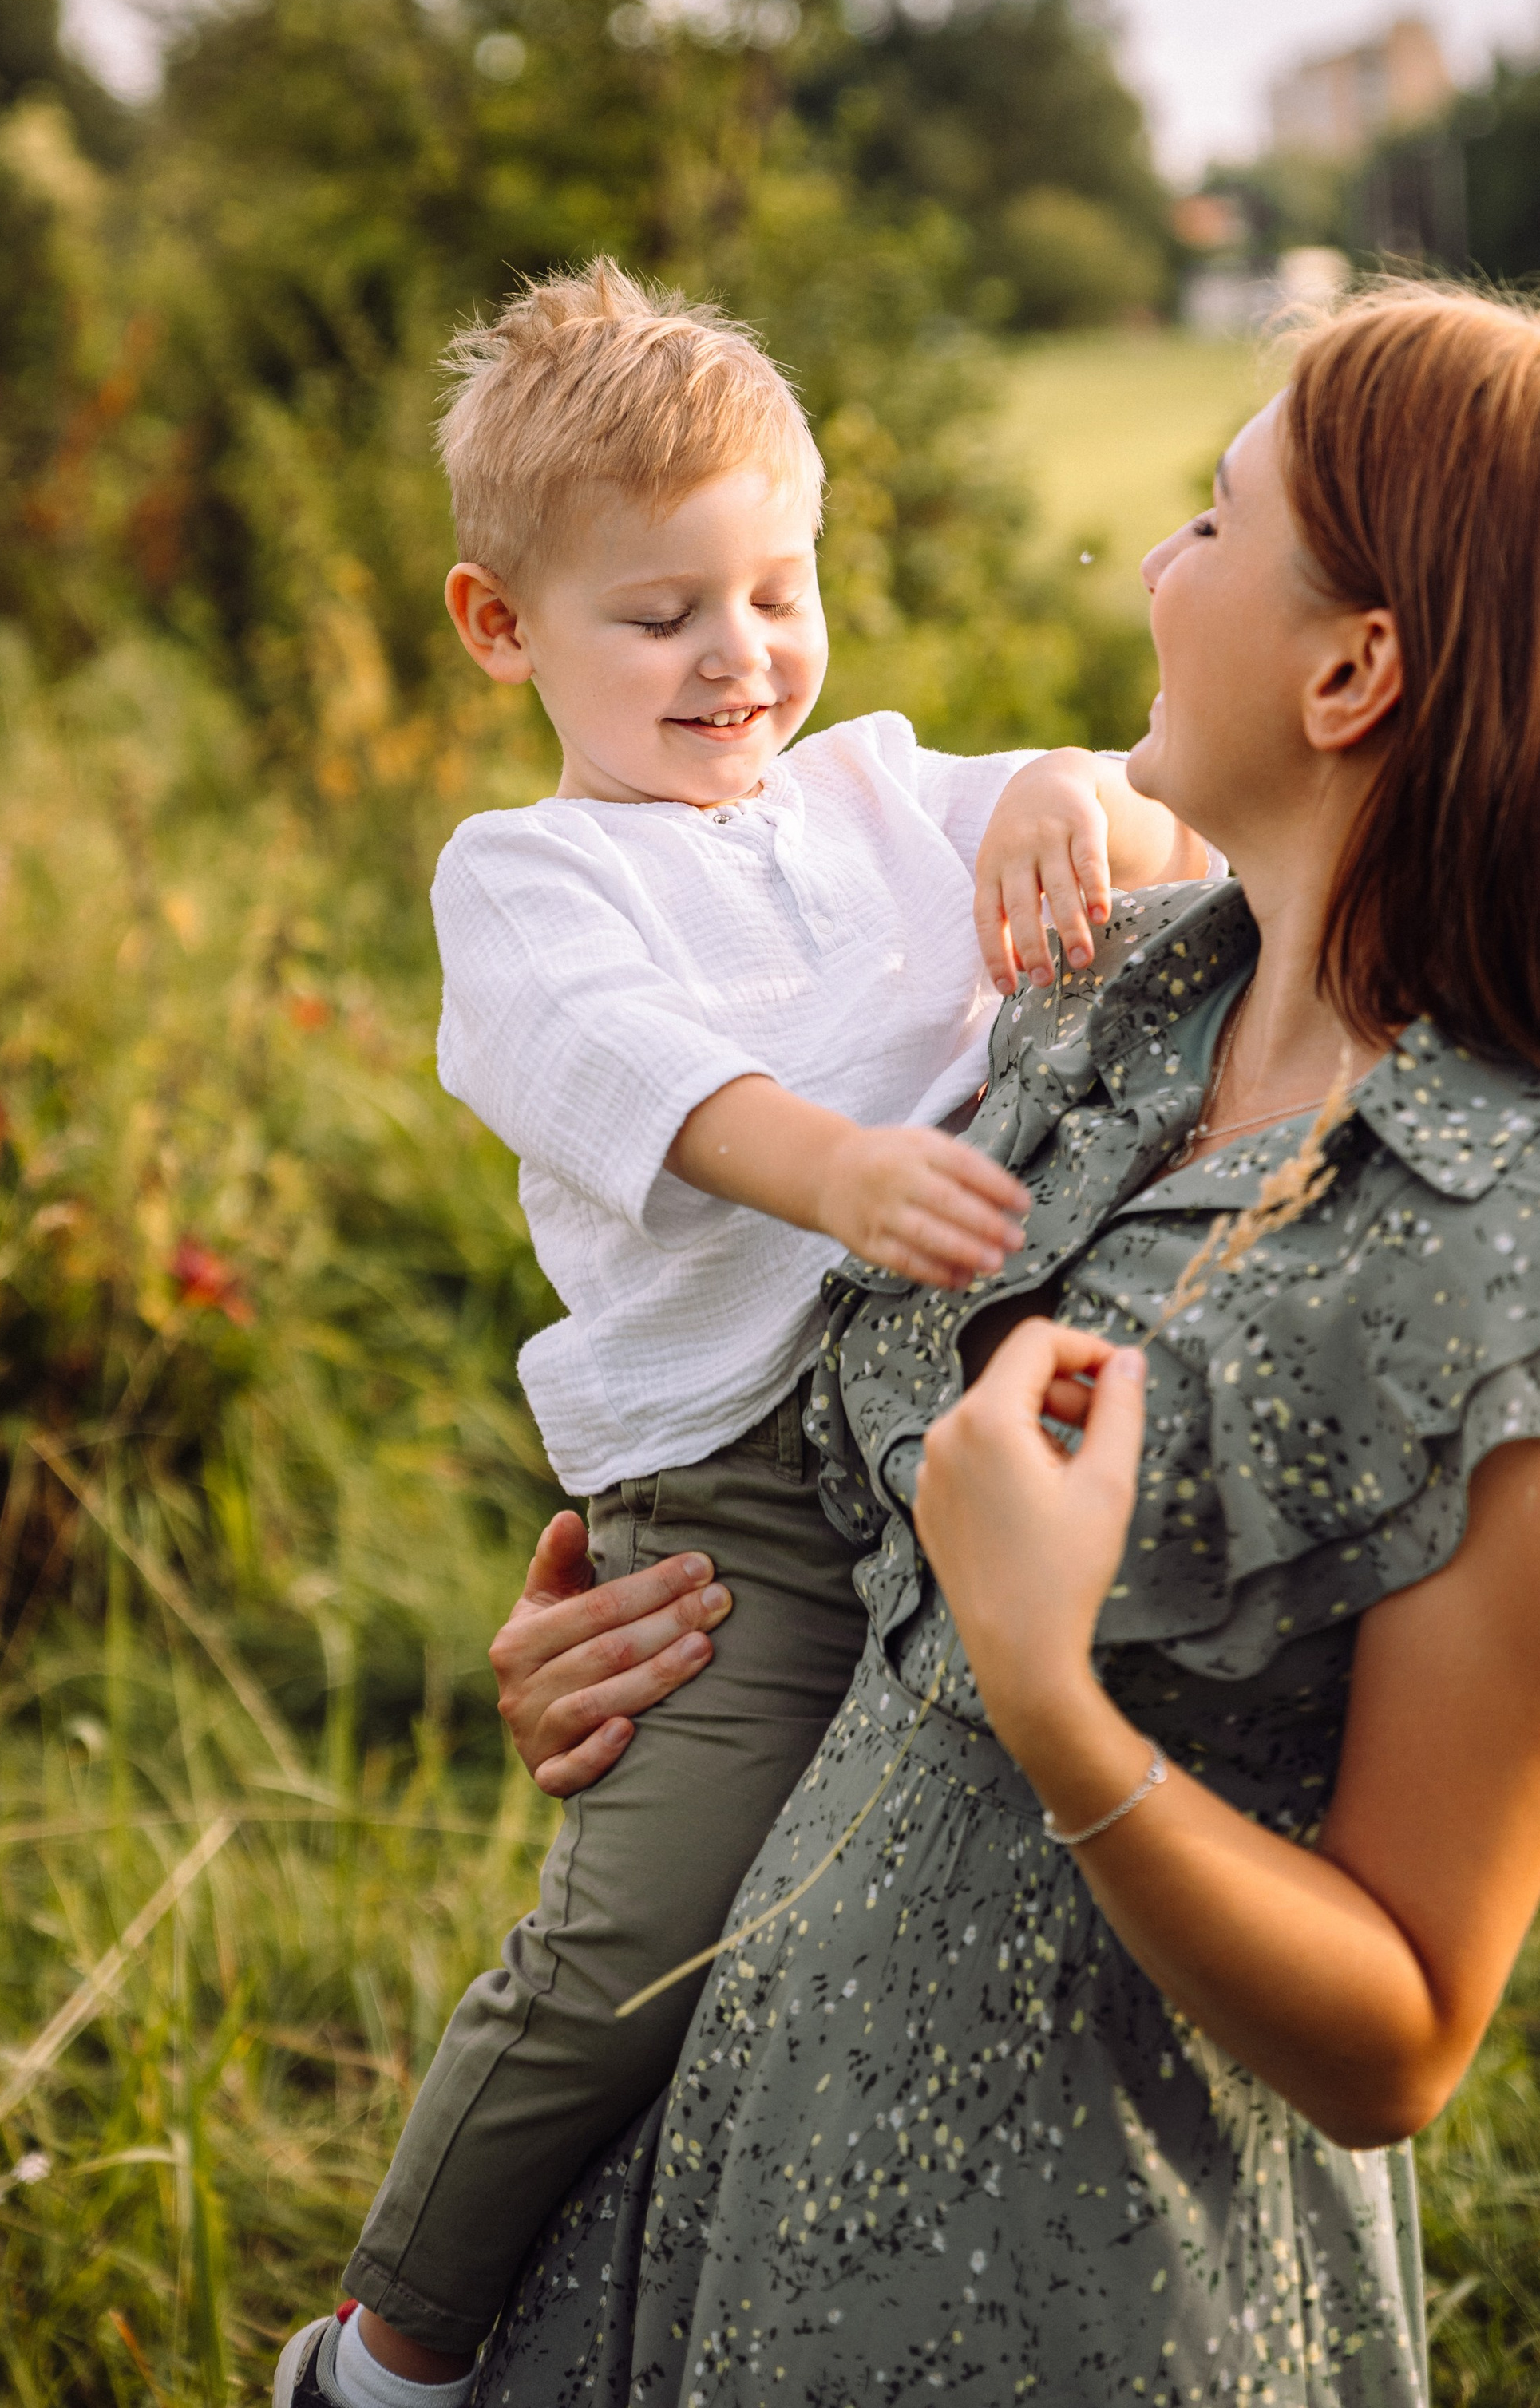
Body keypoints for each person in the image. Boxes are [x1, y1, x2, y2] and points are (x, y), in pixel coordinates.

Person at [462, 284, 1540, 2407]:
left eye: (1209, 522)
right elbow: (845, 1449)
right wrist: (661, 1629)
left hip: (1082, 2311)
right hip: (731, 2223)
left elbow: (1400, 2037)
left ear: (1354, 668)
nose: (1154, 572)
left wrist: (1049, 1693)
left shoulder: (1539, 1278)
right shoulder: (1112, 1017)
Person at [275, 263, 1200, 2408]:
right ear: (500, 627)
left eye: (778, 587)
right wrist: (841, 1175)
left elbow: (1138, 838)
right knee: (648, 1931)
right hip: (731, 1482)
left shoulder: (877, 786)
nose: (743, 653)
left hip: (934, 1429)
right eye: (663, 610)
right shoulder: (529, 879)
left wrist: (1073, 786)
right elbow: (622, 1074)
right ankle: (389, 2349)